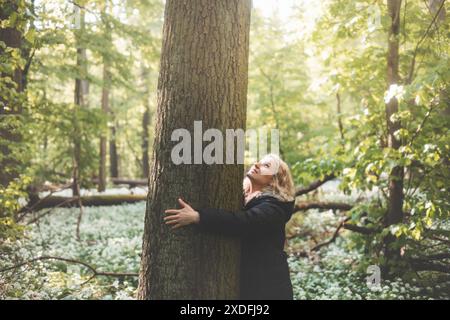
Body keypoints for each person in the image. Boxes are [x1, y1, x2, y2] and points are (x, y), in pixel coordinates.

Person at [164, 154, 296, 300]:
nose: (257, 165)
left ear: (274, 180)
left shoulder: (274, 209)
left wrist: (198, 217)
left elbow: (243, 222)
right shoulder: (244, 199)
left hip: (269, 287)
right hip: (252, 281)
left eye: (266, 166)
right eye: (259, 162)